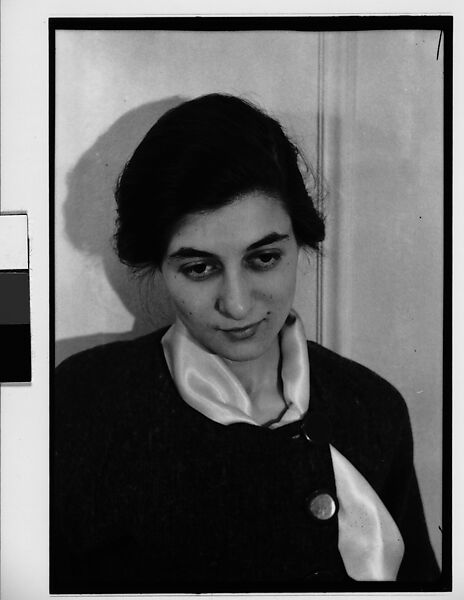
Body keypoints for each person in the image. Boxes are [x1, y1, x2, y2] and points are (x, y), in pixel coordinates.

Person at [51, 93, 440, 593]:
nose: (236, 305)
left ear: (299, 241)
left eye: (263, 259)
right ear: (159, 266)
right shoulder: (82, 403)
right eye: (199, 268)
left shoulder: (373, 409)